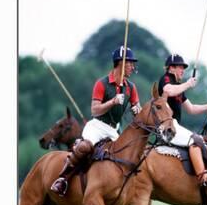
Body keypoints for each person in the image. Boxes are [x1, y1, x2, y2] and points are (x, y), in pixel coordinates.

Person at [51, 46, 141, 196]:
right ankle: (63, 179)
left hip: (114, 129)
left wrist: (137, 110)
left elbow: (137, 108)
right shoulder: (102, 83)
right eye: (130, 63)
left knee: (127, 156)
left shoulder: (131, 87)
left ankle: (120, 197)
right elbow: (94, 110)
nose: (133, 67)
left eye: (132, 63)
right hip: (97, 126)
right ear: (120, 63)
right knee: (84, 147)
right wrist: (112, 101)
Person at [158, 53, 207, 186]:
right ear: (171, 68)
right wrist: (187, 84)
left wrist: (206, 106)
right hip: (167, 127)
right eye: (180, 67)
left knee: (200, 139)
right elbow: (168, 91)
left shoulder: (179, 87)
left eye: (184, 68)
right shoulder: (166, 79)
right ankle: (202, 177)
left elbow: (191, 109)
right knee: (195, 141)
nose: (183, 70)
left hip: (175, 126)